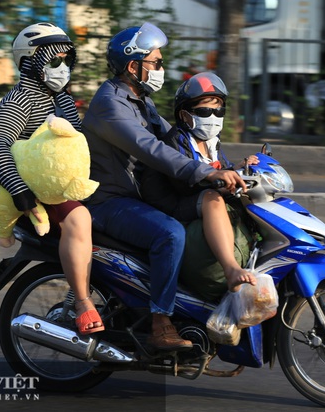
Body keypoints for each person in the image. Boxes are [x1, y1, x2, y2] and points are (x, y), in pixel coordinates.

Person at [81, 23, 246, 350]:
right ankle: (160, 324)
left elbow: (175, 141)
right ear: (133, 66)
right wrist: (204, 174)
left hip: (133, 197)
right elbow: (151, 150)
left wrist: (227, 168)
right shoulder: (110, 105)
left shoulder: (140, 101)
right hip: (107, 202)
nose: (161, 68)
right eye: (155, 62)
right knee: (170, 232)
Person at [0, 23, 103, 335]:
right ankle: (81, 302)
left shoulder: (61, 100)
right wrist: (20, 191)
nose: (63, 69)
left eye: (66, 61)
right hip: (36, 192)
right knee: (79, 218)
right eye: (54, 61)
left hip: (65, 185)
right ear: (28, 63)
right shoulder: (20, 100)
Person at [140, 72, 258, 293]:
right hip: (172, 204)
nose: (213, 117)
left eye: (218, 110)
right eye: (205, 111)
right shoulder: (178, 141)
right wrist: (220, 182)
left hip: (192, 197)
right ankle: (231, 268)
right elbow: (186, 183)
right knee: (211, 198)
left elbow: (219, 169)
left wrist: (241, 167)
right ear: (185, 116)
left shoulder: (211, 141)